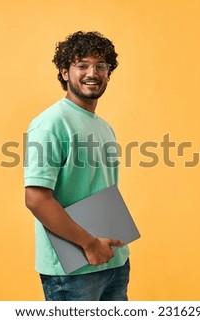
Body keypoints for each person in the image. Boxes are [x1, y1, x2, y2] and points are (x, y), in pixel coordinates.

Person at [24, 31, 130, 301]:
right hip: (72, 270)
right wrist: (89, 244)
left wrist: (106, 248)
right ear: (64, 72)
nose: (92, 73)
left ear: (108, 73)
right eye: (82, 65)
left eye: (101, 66)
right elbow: (36, 198)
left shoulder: (104, 126)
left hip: (114, 262)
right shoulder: (51, 123)